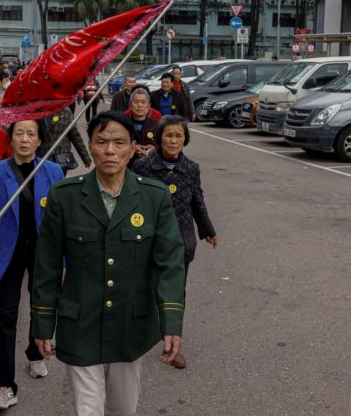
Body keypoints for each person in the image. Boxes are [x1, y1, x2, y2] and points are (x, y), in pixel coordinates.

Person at [30, 111, 187, 416]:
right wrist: (43, 323)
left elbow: (169, 264)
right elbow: (46, 266)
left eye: (119, 142)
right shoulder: (65, 197)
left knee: (122, 409)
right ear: (90, 147)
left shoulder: (153, 197)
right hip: (80, 325)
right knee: (87, 411)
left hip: (130, 326)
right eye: (102, 142)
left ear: (133, 148)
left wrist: (171, 323)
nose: (110, 150)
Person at [0, 119, 64, 411]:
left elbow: (60, 222)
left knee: (41, 308)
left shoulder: (53, 171)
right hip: (8, 254)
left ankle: (35, 352)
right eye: (20, 133)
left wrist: (64, 260)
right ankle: (4, 386)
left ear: (40, 141)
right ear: (11, 139)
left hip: (43, 252)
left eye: (31, 134)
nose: (25, 139)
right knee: (6, 316)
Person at [131, 116, 217, 365]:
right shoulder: (142, 166)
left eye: (178, 136)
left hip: (180, 240)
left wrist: (207, 229)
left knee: (175, 293)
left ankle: (172, 344)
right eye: (168, 135)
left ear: (185, 139)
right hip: (147, 239)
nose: (173, 140)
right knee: (142, 290)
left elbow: (197, 201)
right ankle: (136, 337)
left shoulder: (191, 168)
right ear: (159, 138)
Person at [37, 107, 92, 175]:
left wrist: (85, 157)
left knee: (60, 183)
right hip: (42, 157)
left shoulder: (66, 112)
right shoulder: (38, 112)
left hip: (61, 159)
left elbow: (76, 137)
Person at [124, 87, 162, 163]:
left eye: (143, 102)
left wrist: (154, 149)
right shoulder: (123, 124)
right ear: (130, 105)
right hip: (127, 165)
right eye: (136, 102)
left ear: (149, 106)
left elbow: (164, 147)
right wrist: (133, 148)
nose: (140, 105)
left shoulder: (157, 126)